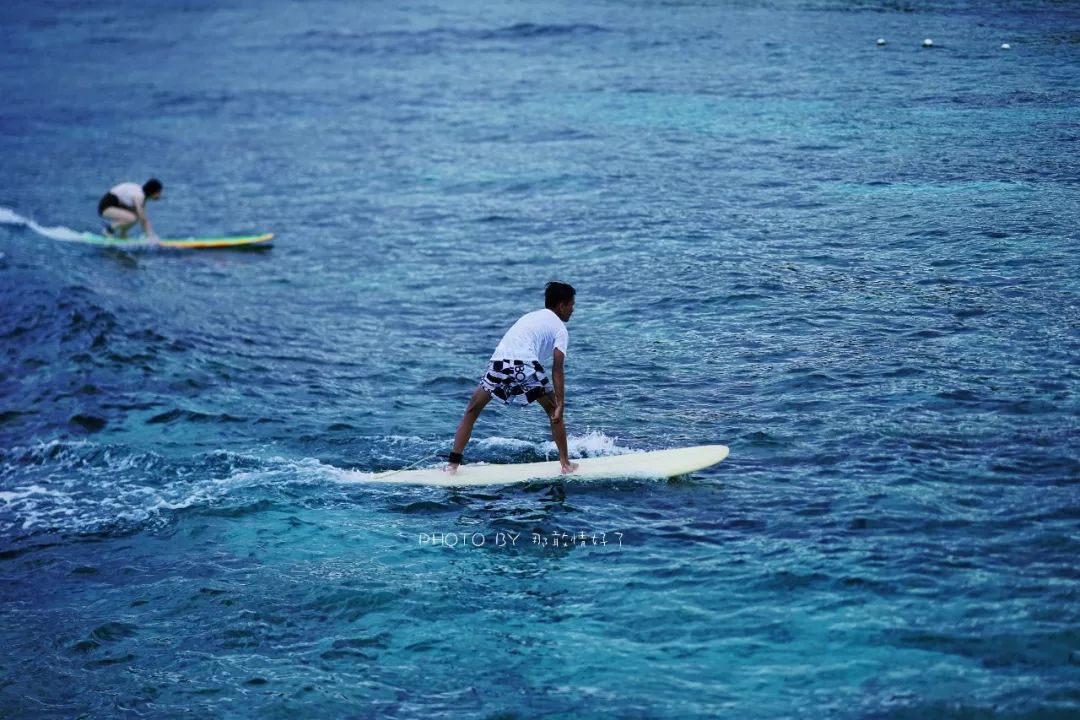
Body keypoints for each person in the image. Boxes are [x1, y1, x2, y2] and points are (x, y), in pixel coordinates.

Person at [446, 281, 579, 475]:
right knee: (554, 412)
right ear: (561, 305)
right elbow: (557, 368)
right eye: (571, 305)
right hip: (523, 363)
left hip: (500, 360)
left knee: (472, 409)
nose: (572, 310)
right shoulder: (560, 329)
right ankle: (566, 464)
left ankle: (452, 465)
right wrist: (561, 403)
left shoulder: (530, 316)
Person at [98, 179, 163, 240]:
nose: (160, 195)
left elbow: (143, 218)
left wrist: (150, 237)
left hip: (116, 206)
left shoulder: (141, 196)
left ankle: (122, 236)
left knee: (135, 216)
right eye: (159, 192)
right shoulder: (139, 196)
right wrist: (151, 238)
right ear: (152, 192)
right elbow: (143, 220)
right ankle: (108, 229)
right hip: (106, 207)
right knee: (132, 218)